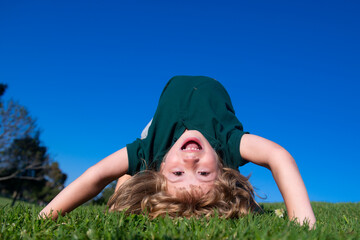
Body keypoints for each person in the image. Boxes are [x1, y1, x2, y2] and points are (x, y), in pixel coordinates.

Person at [39, 76, 316, 227]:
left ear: (160, 168)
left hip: (156, 128)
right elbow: (278, 156)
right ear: (223, 170)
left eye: (178, 172)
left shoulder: (151, 149)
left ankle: (122, 194)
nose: (191, 159)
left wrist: (45, 217)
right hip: (216, 102)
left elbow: (95, 176)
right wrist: (305, 226)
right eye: (204, 172)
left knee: (126, 176)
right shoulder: (228, 143)